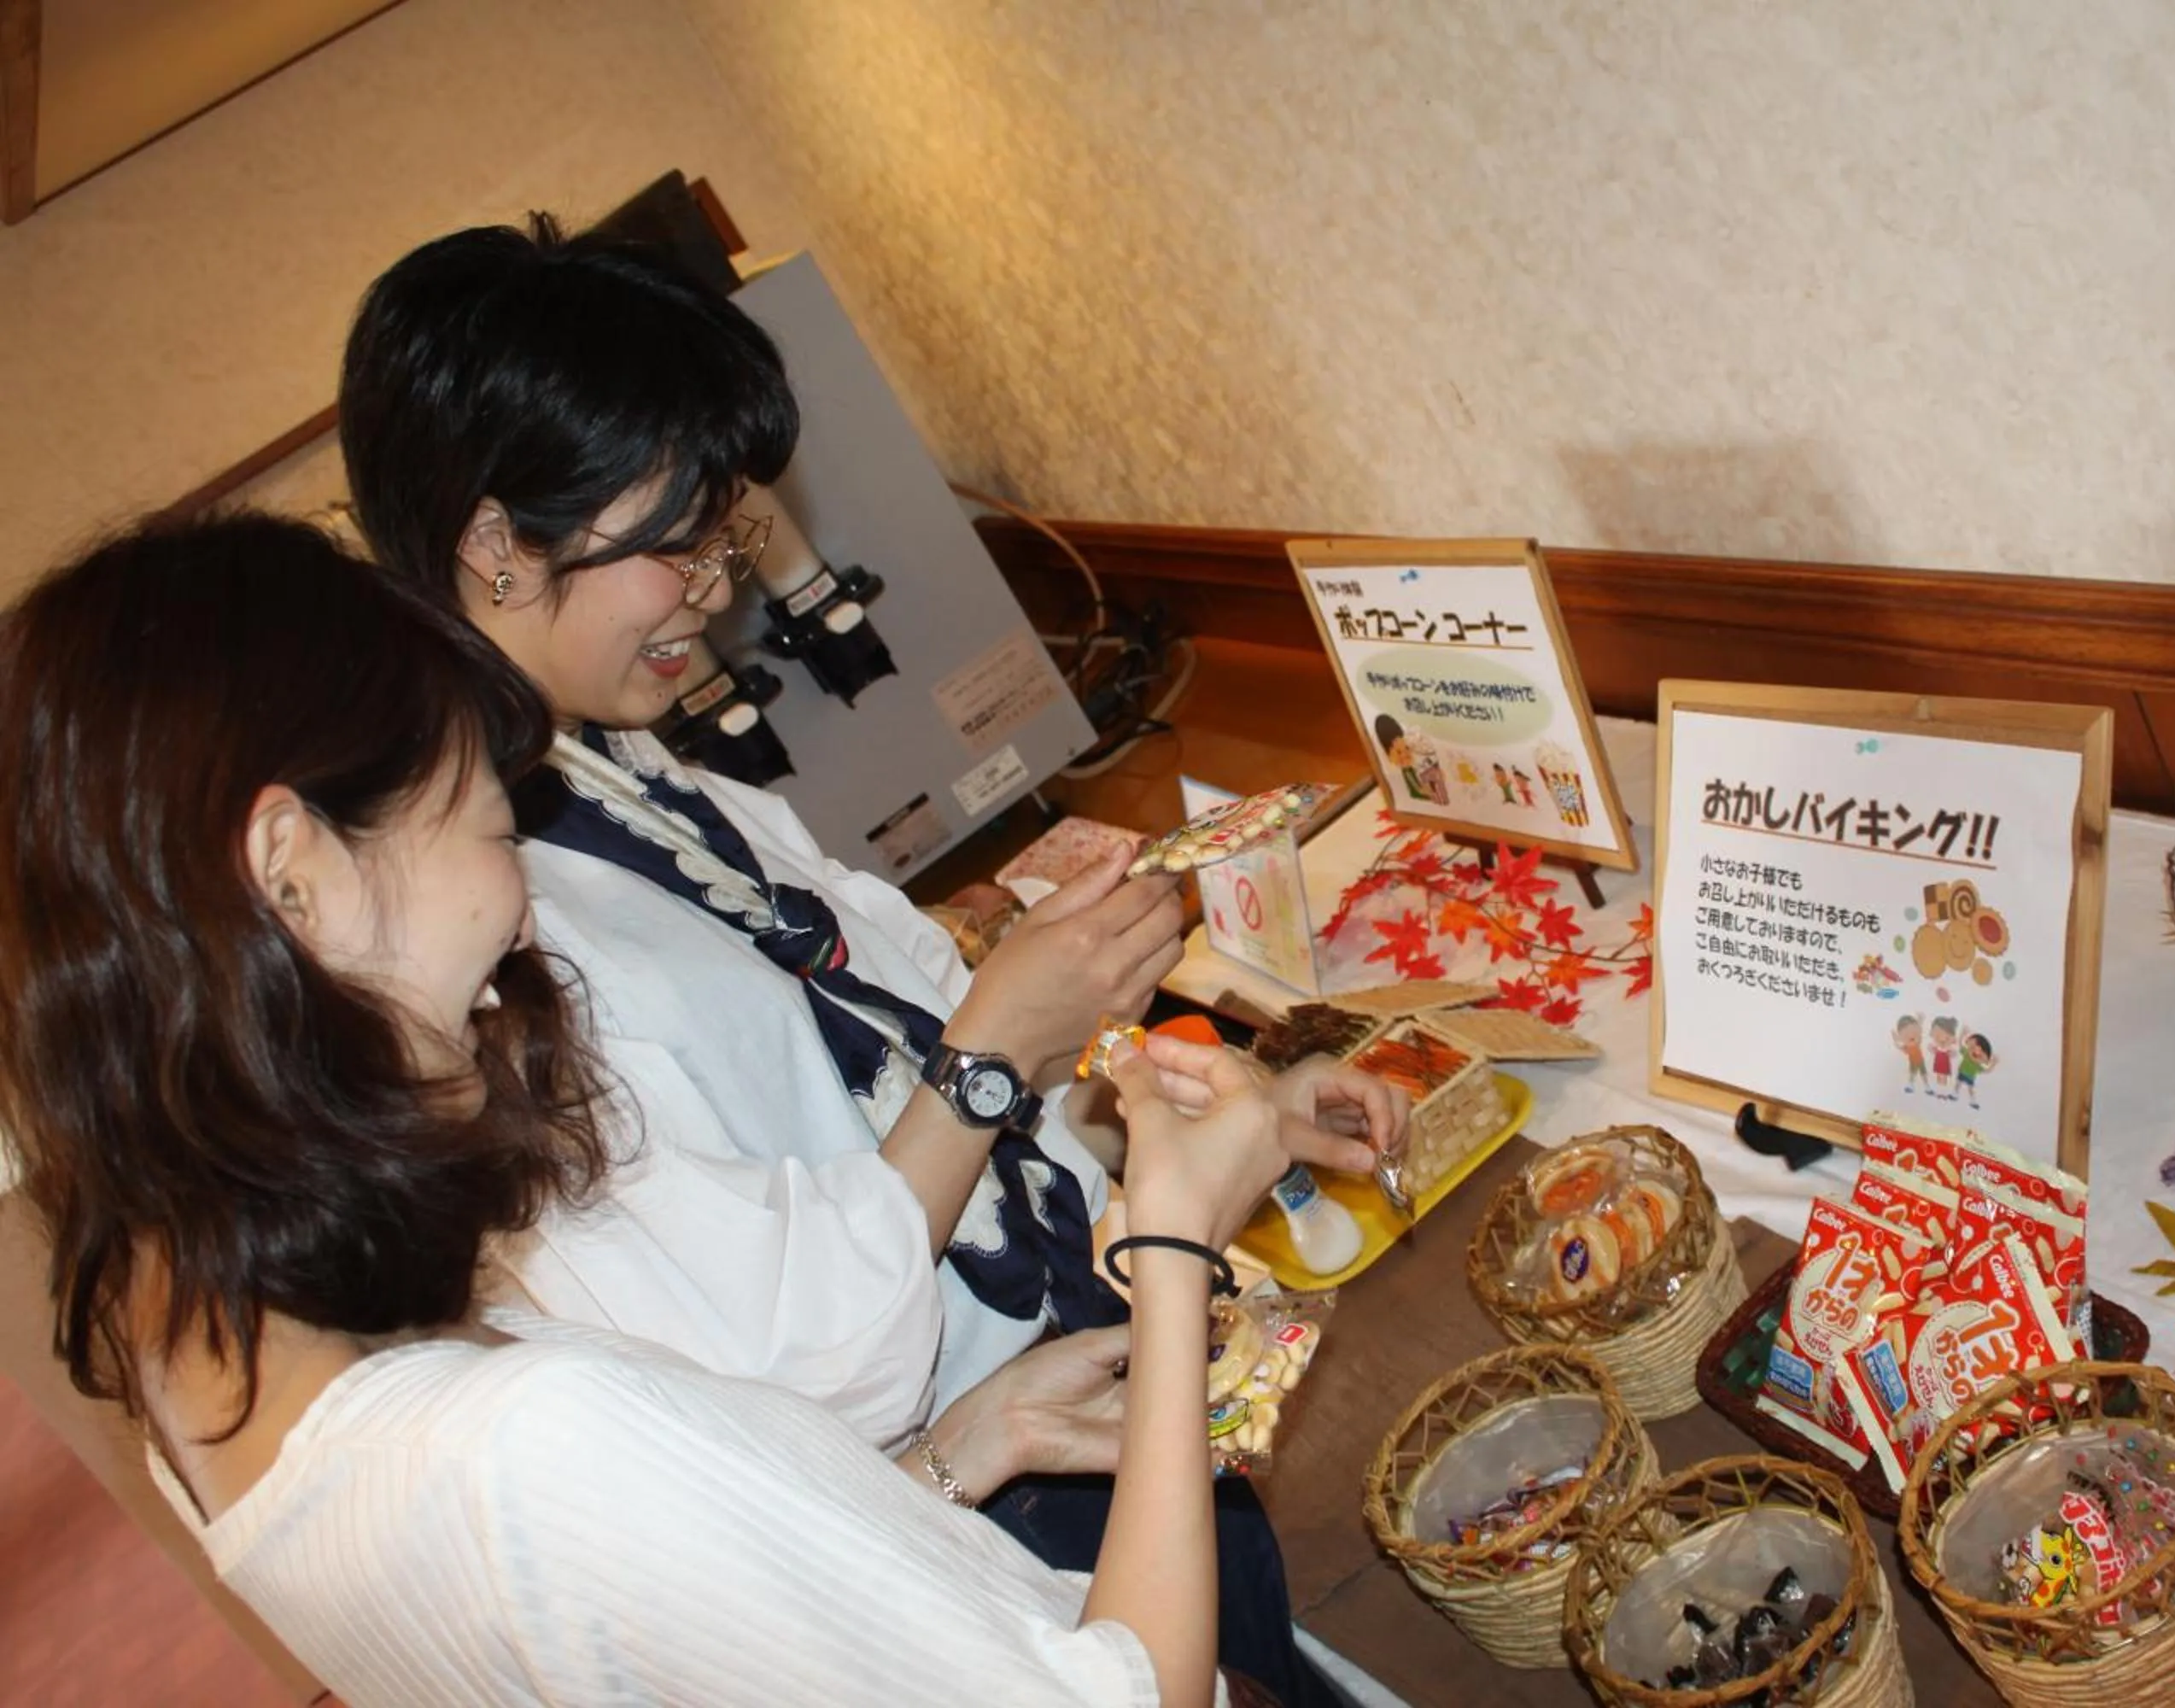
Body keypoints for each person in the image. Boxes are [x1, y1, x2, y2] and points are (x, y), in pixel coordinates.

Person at [338, 219, 1403, 1702]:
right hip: (974, 1484)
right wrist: (985, 1058)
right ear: (494, 546)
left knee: (1260, 1649)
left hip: (1076, 1342)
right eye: (679, 544)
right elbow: (800, 1358)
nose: (718, 589)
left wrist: (1209, 1113)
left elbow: (900, 1001)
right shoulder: (476, 955)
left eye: (729, 534)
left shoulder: (631, 769)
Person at [0, 513, 1300, 1705]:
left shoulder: (228, 1407)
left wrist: (972, 1447)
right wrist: (1173, 1247)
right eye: (493, 834)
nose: (517, 917)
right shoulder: (538, 1441)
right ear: (295, 878)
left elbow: (673, 1625)